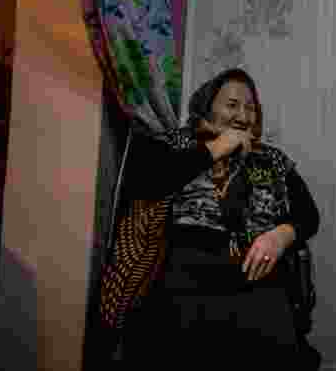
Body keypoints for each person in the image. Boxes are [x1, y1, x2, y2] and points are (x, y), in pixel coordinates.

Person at [121, 68, 320, 367]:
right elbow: (146, 180)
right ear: (208, 106)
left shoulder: (272, 158)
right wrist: (216, 148)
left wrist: (279, 237)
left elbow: (308, 214)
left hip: (257, 273)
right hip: (188, 275)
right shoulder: (178, 144)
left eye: (251, 108)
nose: (243, 114)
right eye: (232, 104)